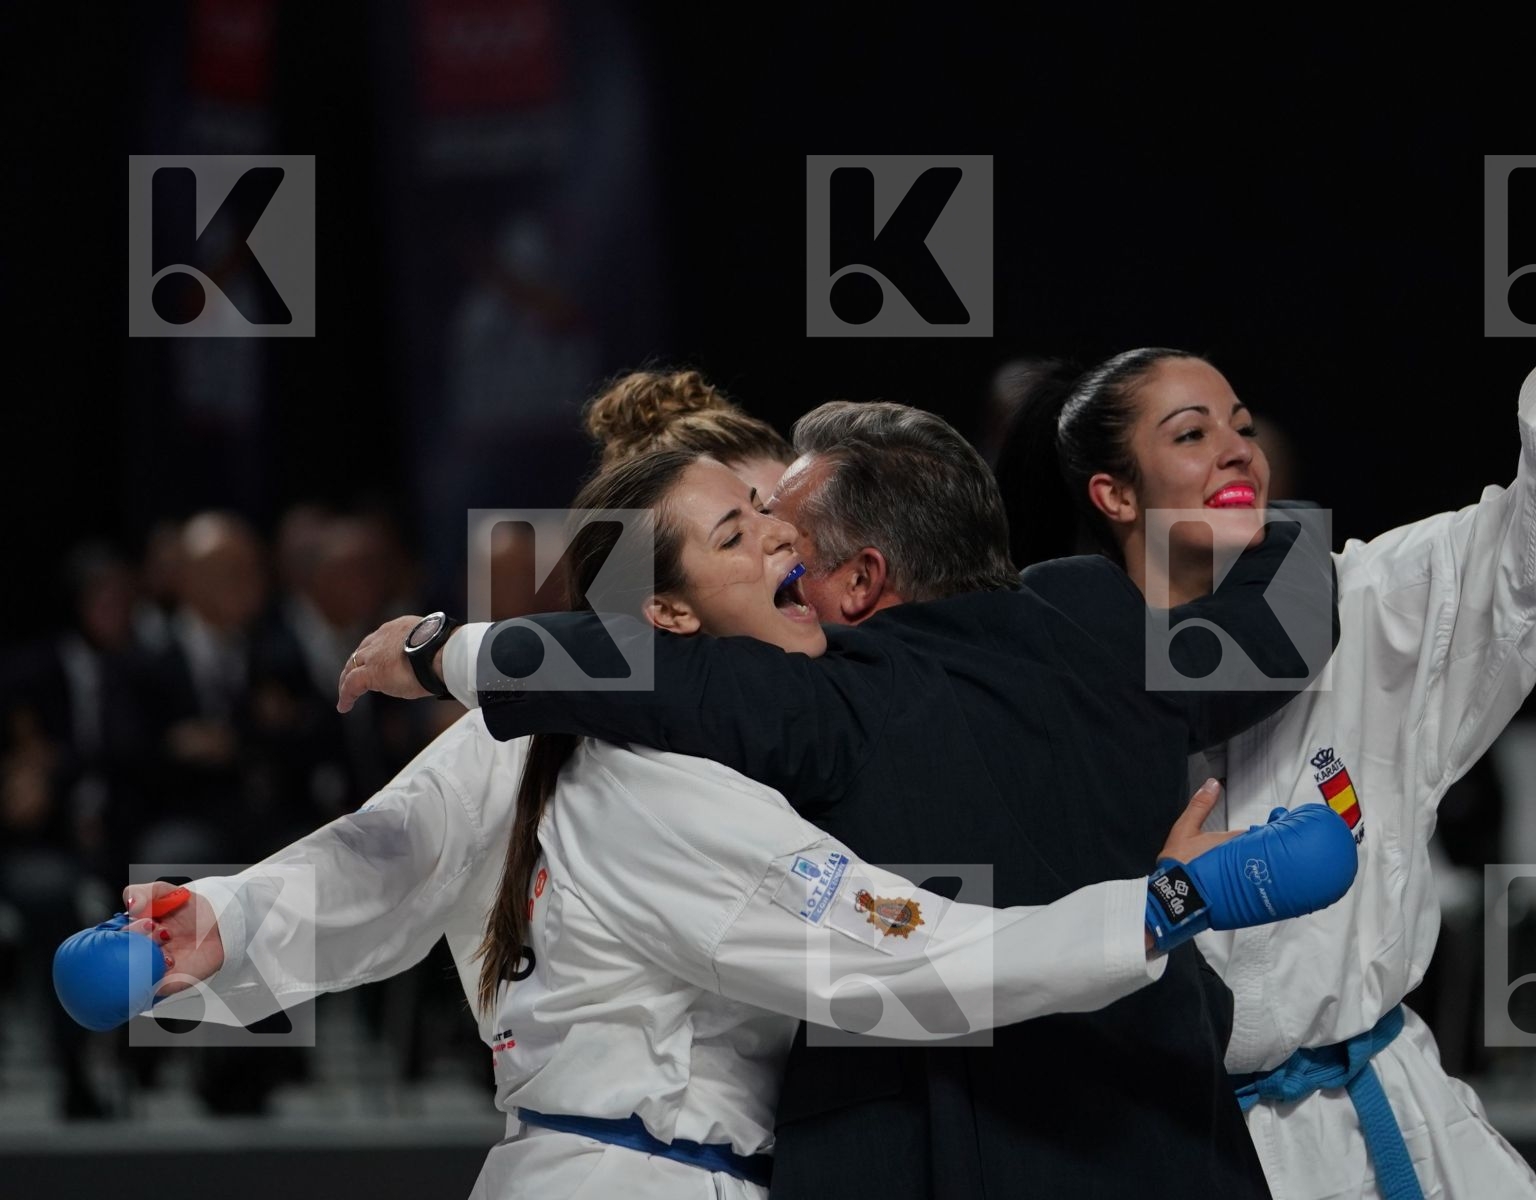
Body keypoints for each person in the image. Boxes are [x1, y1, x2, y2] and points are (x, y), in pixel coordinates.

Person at [70, 372, 1354, 1198]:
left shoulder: (747, 730)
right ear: (669, 616)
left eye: (784, 518)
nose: (790, 544)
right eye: (747, 530)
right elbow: (906, 957)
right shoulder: (655, 780)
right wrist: (1165, 906)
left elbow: (387, 856)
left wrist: (220, 925)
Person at [999, 95, 1536, 1198]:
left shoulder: (1371, 604)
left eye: (1241, 424)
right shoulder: (1048, 677)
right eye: (1190, 434)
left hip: (1391, 1122)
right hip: (1179, 1147)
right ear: (1112, 493)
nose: (1234, 449)